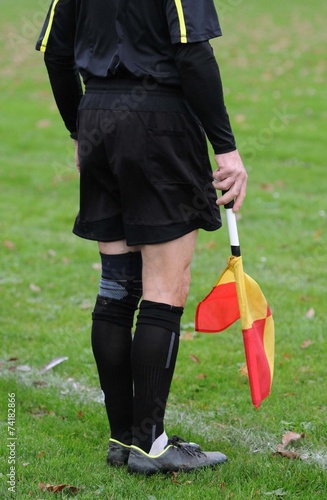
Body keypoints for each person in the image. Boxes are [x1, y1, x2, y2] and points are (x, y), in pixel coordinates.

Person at [36, 0, 247, 475]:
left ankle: (124, 439)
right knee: (164, 289)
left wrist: (79, 130)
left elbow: (55, 54)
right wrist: (227, 149)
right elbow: (192, 53)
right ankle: (150, 446)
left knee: (116, 288)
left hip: (99, 118)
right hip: (158, 124)